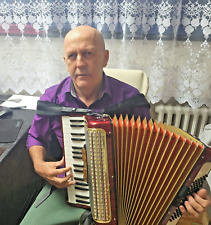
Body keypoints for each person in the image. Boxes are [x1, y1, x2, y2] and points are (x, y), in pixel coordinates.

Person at [20, 25, 210, 225]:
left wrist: (189, 195)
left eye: (88, 53)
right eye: (72, 56)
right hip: (67, 191)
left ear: (105, 57)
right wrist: (39, 165)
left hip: (122, 197)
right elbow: (35, 137)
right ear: (65, 62)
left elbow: (153, 154)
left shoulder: (131, 100)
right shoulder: (52, 99)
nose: (80, 63)